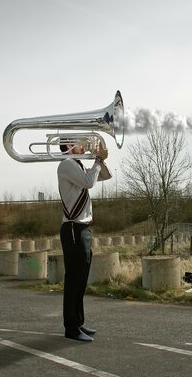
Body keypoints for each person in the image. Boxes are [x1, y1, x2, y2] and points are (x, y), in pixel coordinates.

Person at [57, 139, 111, 342]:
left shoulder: (78, 165)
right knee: (74, 280)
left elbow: (104, 176)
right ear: (69, 146)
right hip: (73, 228)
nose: (83, 144)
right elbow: (89, 182)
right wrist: (97, 159)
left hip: (82, 228)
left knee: (81, 280)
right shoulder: (67, 163)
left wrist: (100, 159)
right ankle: (71, 328)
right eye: (79, 142)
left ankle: (77, 322)